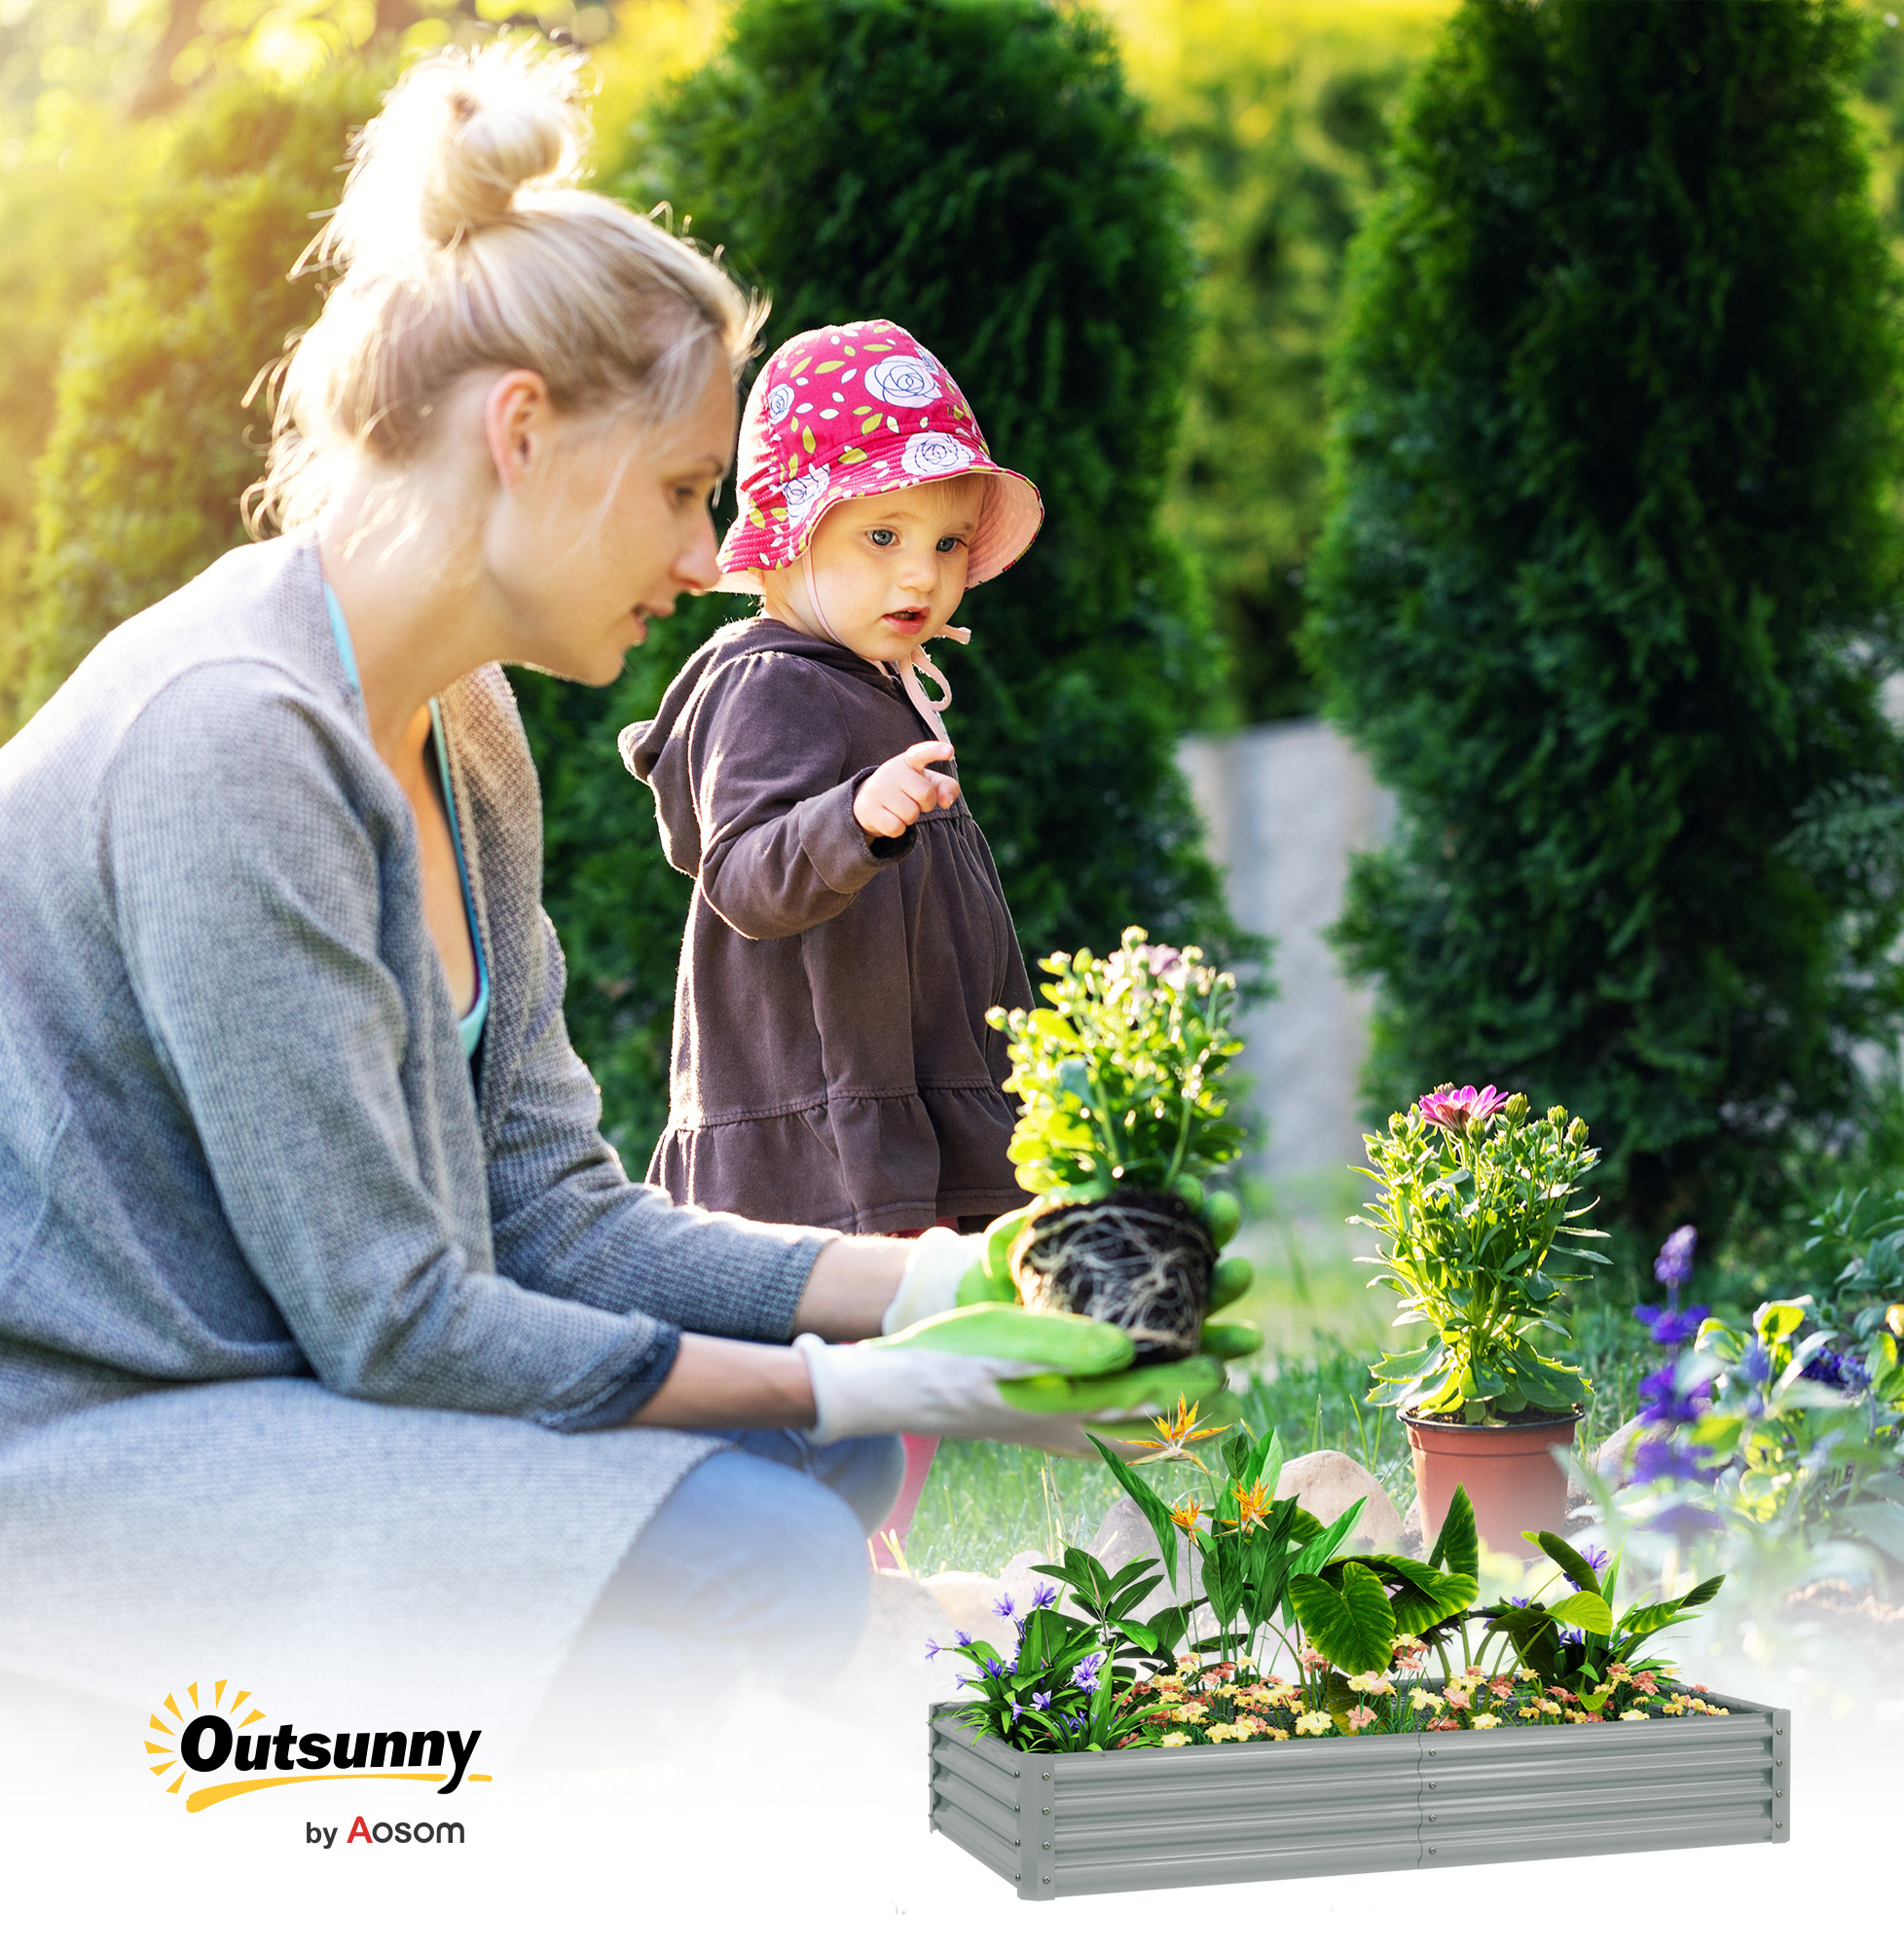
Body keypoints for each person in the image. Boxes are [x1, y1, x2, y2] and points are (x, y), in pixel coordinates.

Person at [0, 43, 1109, 1733]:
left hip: (309, 1386)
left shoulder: (472, 728)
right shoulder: (234, 738)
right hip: (94, 1444)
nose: (703, 558)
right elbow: (398, 1321)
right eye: (680, 490)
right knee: (774, 1541)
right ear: (520, 433)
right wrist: (840, 1375)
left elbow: (552, 1213)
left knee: (829, 1462)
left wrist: (940, 1289)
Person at [618, 319, 1043, 1560]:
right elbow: (747, 873)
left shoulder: (862, 668)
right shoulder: (769, 682)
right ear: (787, 538)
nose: (922, 575)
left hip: (884, 1085)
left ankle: (862, 1545)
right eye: (880, 537)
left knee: (901, 1346)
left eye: (946, 541)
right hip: (813, 1103)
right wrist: (851, 816)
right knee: (851, 1354)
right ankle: (830, 1548)